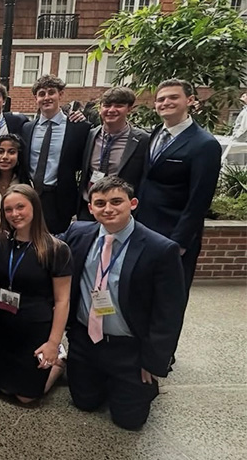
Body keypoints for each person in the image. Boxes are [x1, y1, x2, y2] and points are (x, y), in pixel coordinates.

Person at [62, 176, 185, 430]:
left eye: (116, 201)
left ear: (133, 203)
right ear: (90, 208)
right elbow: (44, 243)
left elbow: (169, 313)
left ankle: (132, 386)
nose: (108, 209)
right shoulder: (78, 233)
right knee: (84, 403)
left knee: (129, 421)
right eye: (100, 203)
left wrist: (153, 361)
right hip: (85, 341)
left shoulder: (160, 249)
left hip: (129, 349)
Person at [137, 78, 221, 296]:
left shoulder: (205, 144)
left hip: (173, 234)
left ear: (190, 100)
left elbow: (199, 200)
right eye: (160, 99)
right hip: (143, 228)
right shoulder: (156, 133)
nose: (166, 103)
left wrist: (180, 242)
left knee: (168, 298)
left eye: (173, 97)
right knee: (141, 294)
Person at [0, 184, 72, 404]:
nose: (14, 214)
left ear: (35, 207)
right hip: (4, 324)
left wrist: (53, 342)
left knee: (26, 397)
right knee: (2, 387)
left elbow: (62, 300)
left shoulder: (56, 249)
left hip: (35, 327)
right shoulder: (1, 242)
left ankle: (58, 362)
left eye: (20, 207)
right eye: (8, 209)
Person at [21, 75, 90, 234]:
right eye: (42, 94)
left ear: (61, 94)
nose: (46, 98)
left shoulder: (78, 128)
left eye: (51, 92)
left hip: (59, 198)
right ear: (36, 99)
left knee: (56, 242)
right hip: (30, 196)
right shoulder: (27, 128)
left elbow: (82, 162)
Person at [78, 86, 150, 220]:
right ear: (100, 108)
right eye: (107, 105)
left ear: (129, 109)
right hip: (89, 208)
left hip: (119, 211)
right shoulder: (90, 135)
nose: (111, 110)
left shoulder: (142, 140)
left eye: (118, 106)